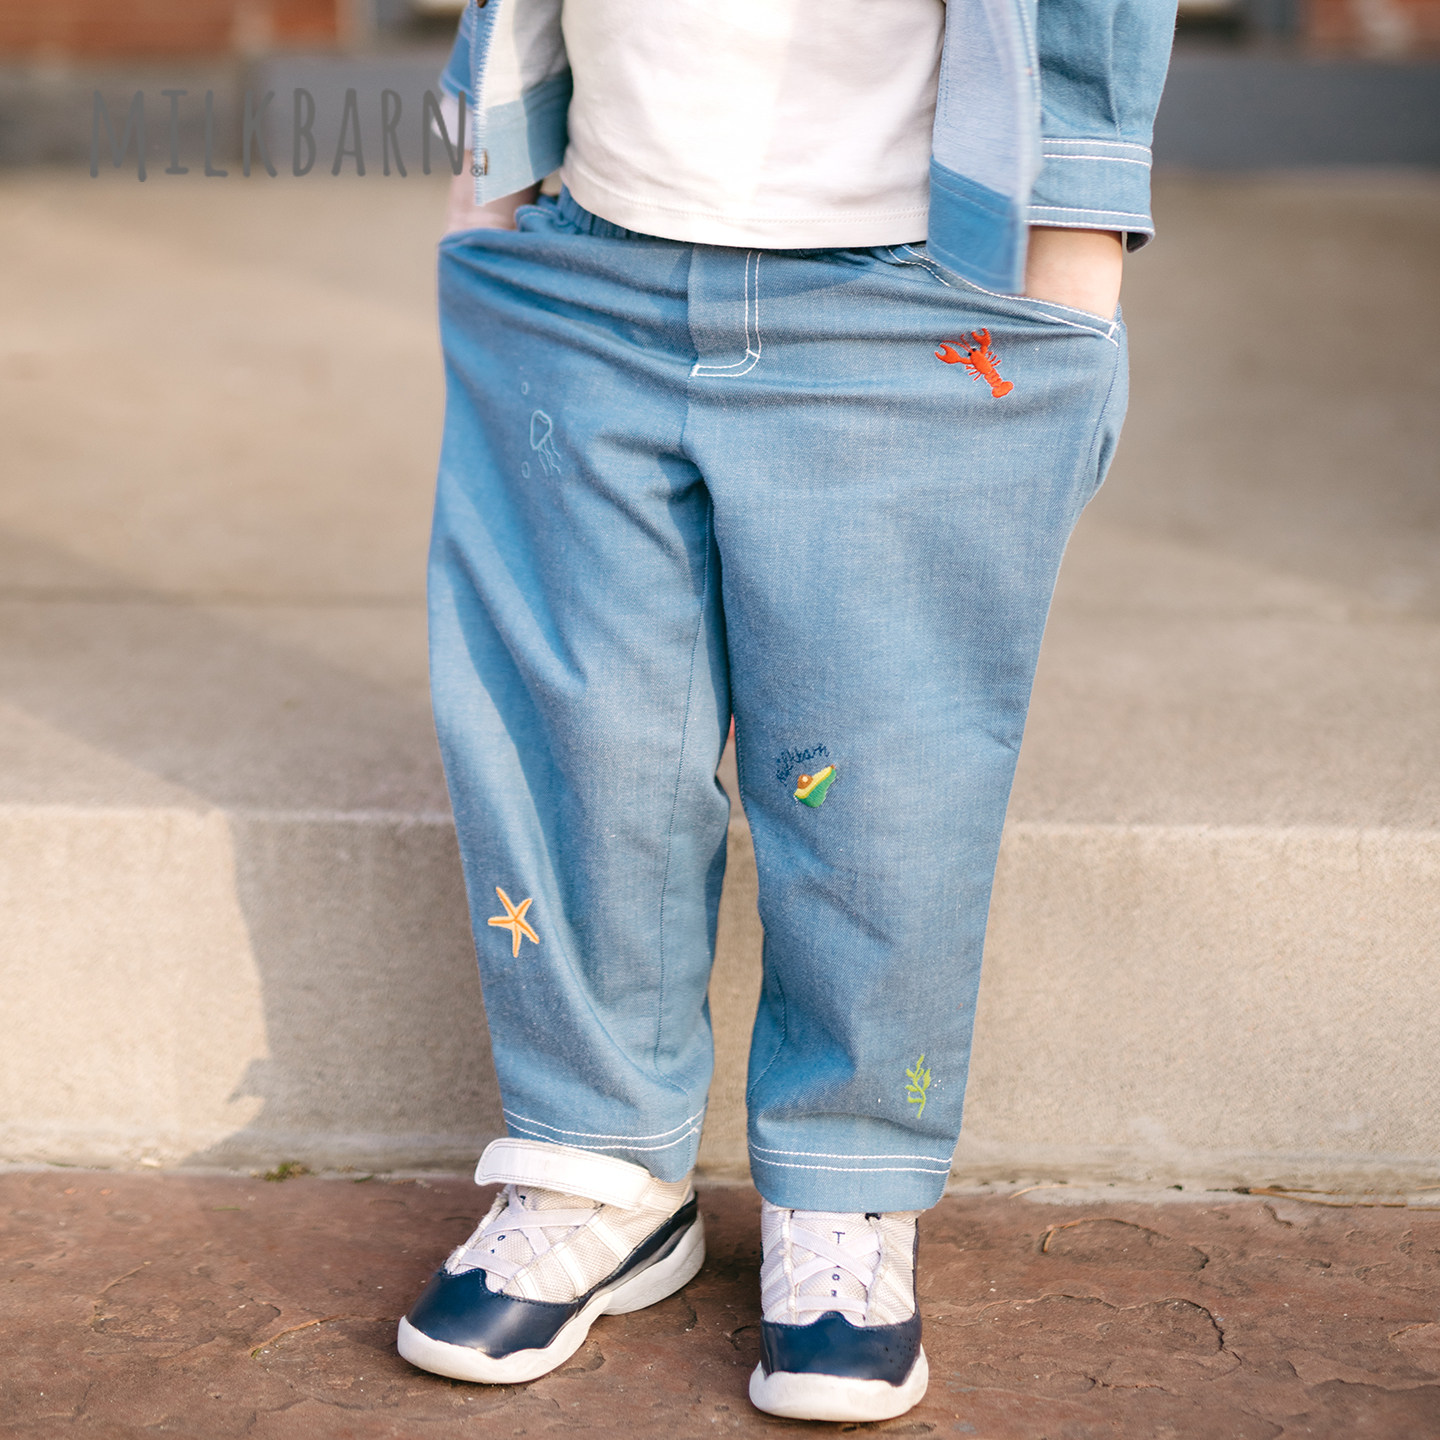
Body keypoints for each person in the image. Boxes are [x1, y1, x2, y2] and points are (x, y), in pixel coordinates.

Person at [397, 0, 1175, 1422]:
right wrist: (490, 177)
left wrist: (1072, 275)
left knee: (882, 778)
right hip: (588, 267)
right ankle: (600, 1162)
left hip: (912, 296)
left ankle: (846, 1184)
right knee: (582, 741)